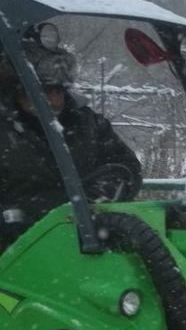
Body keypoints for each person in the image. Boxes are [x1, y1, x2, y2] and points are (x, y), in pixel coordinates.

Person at [0, 37, 142, 228]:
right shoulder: (7, 132)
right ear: (17, 91)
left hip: (87, 233)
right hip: (20, 241)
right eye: (42, 92)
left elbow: (126, 167)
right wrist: (21, 216)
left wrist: (97, 195)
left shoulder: (88, 124)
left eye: (57, 91)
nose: (52, 101)